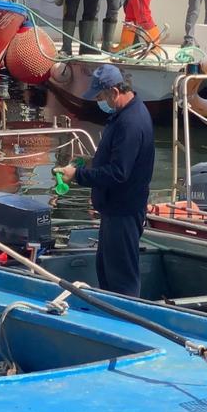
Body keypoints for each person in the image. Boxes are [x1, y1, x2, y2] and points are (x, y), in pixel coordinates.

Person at [57, 65, 154, 296]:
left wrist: (77, 175)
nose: (100, 102)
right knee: (108, 272)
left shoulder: (130, 123)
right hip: (115, 210)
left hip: (123, 211)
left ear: (114, 91)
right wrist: (90, 162)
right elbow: (119, 158)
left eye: (101, 97)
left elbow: (118, 173)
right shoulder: (126, 114)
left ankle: (124, 315)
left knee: (121, 279)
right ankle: (109, 311)